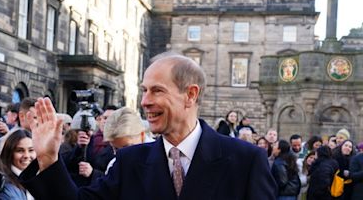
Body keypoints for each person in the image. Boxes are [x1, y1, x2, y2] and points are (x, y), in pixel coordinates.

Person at [19, 52, 277, 199]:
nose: (145, 101)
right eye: (144, 91)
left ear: (190, 95)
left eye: (157, 91)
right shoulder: (130, 161)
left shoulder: (245, 160)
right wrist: (48, 158)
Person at [103, 106, 152, 174]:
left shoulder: (163, 159)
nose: (121, 154)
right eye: (116, 149)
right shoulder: (113, 167)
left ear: (142, 135)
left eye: (127, 148)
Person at [0, 129, 36, 200]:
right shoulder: (3, 182)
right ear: (9, 153)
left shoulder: (40, 177)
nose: (26, 155)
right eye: (20, 150)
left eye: (31, 150)